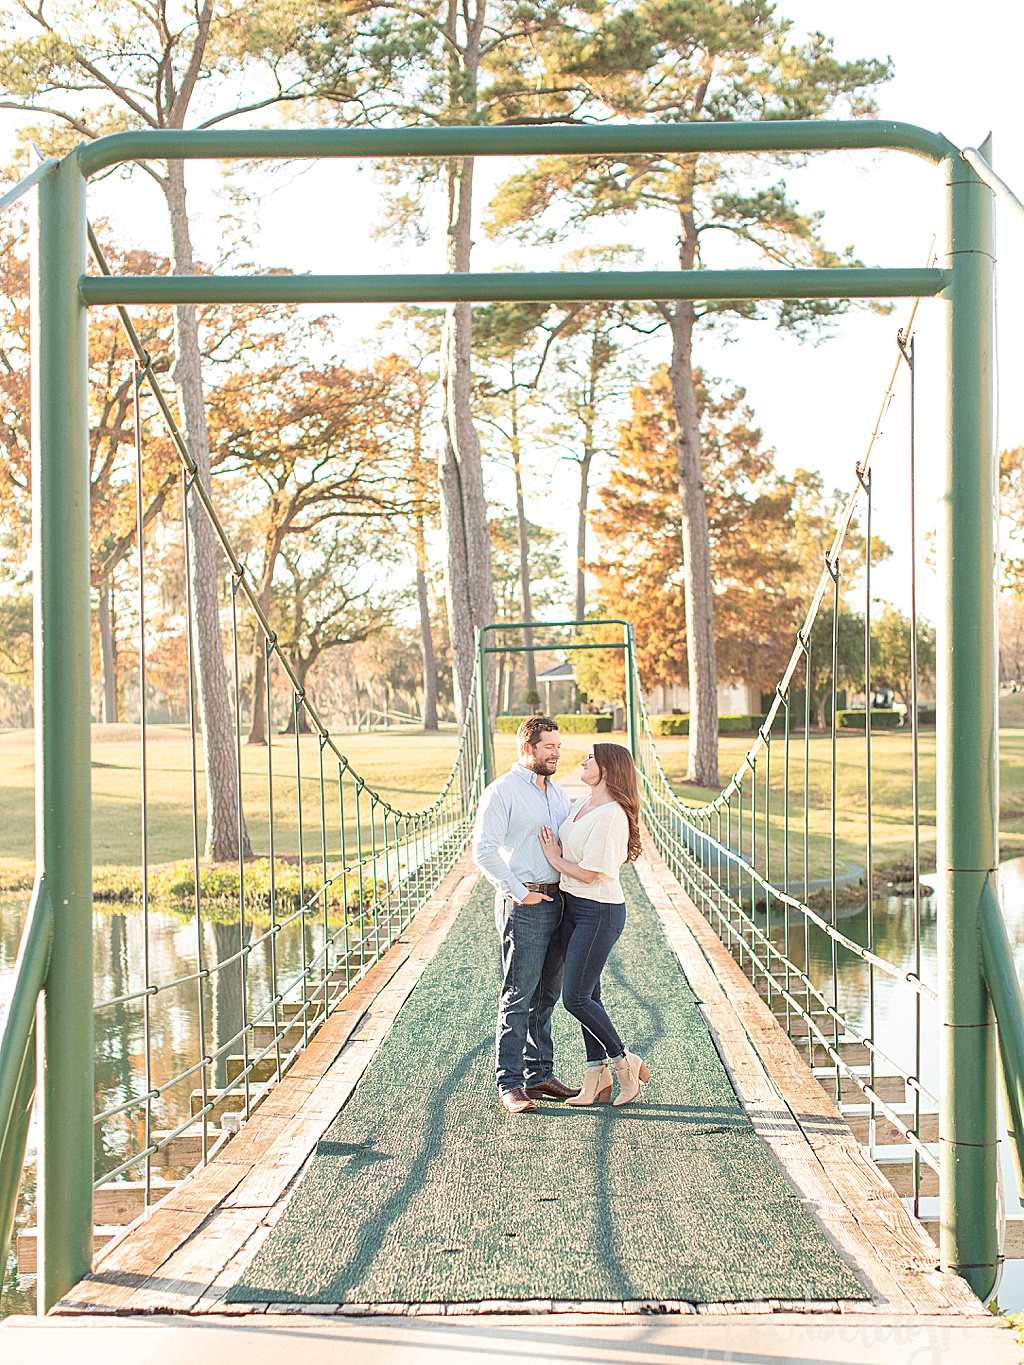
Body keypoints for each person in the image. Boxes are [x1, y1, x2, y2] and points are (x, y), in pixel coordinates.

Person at [471, 716, 582, 1115]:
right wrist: (521, 894)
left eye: (558, 746)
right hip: (526, 904)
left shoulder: (558, 793)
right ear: (527, 749)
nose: (556, 753)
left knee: (547, 995)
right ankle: (511, 1083)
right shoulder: (501, 792)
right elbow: (482, 851)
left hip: (560, 902)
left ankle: (540, 1075)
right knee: (518, 996)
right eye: (548, 746)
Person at [538, 742, 651, 1107]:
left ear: (606, 769)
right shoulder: (583, 803)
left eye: (591, 758)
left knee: (576, 998)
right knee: (592, 996)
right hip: (574, 909)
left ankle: (624, 1066)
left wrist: (554, 858)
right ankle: (594, 1079)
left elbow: (589, 873)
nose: (583, 761)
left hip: (599, 913)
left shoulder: (611, 815)